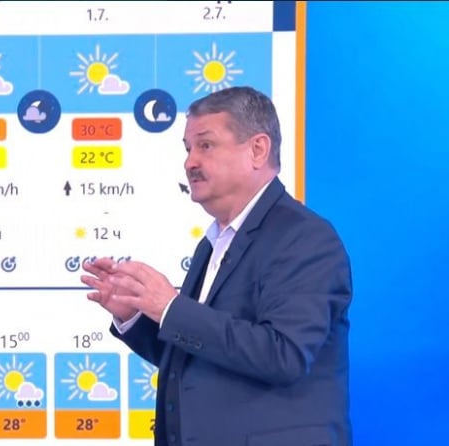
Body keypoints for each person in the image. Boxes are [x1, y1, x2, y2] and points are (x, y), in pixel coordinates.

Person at [81, 86, 352, 446]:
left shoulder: (305, 238)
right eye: (187, 148)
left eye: (205, 145)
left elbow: (283, 355)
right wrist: (134, 315)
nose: (190, 162)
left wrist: (171, 309)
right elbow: (196, 359)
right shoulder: (213, 244)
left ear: (258, 150)